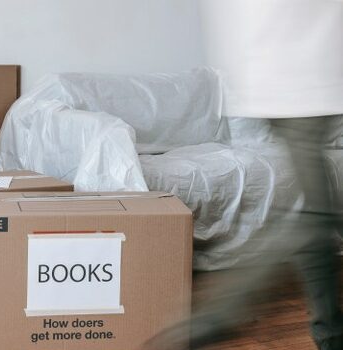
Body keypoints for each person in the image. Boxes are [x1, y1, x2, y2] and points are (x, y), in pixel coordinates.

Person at [146, 1, 343, 349]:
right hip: (306, 85)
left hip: (287, 84)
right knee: (316, 217)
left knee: (317, 216)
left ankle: (331, 334)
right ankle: (215, 318)